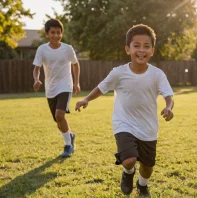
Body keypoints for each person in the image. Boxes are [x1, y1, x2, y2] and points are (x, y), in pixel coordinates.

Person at [75, 24, 174, 197]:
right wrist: (86, 99)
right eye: (136, 46)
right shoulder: (118, 73)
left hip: (149, 128)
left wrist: (168, 107)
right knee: (128, 161)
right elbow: (101, 87)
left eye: (146, 46)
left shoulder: (157, 74)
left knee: (148, 166)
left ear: (152, 50)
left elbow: (168, 96)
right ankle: (128, 173)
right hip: (124, 124)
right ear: (128, 49)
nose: (141, 50)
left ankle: (142, 185)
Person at [32, 19, 80, 158]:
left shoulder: (67, 48)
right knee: (58, 121)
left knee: (60, 115)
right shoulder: (42, 49)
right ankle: (70, 135)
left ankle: (68, 146)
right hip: (50, 88)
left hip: (65, 85)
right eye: (53, 32)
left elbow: (76, 65)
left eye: (58, 33)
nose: (56, 35)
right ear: (47, 33)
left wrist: (76, 83)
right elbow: (37, 68)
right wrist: (36, 79)